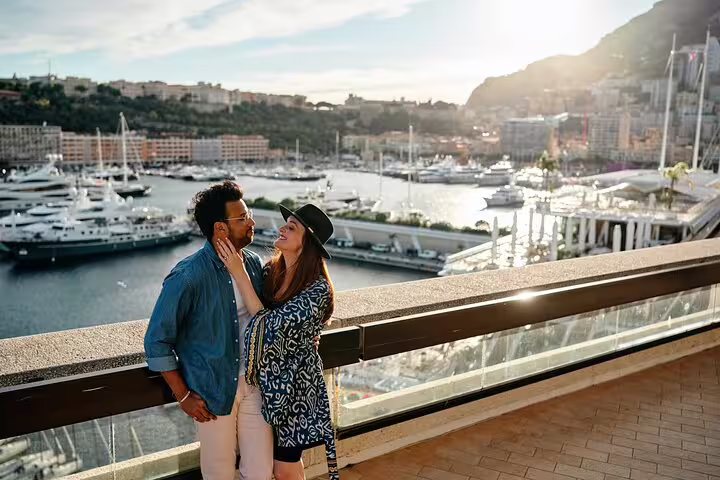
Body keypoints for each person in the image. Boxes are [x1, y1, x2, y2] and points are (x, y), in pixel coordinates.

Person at [144, 181, 273, 480]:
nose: (251, 222)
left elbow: (269, 319)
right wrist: (183, 395)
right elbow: (157, 341)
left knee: (260, 471)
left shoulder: (252, 264)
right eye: (242, 218)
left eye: (249, 214)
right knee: (218, 473)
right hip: (212, 392)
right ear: (220, 229)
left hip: (255, 385)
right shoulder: (187, 277)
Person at [216, 203, 339, 480]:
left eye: (291, 227)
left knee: (284, 467)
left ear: (307, 243)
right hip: (265, 387)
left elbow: (267, 326)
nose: (282, 228)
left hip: (294, 389)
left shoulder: (318, 288)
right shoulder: (271, 271)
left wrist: (239, 272)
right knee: (263, 463)